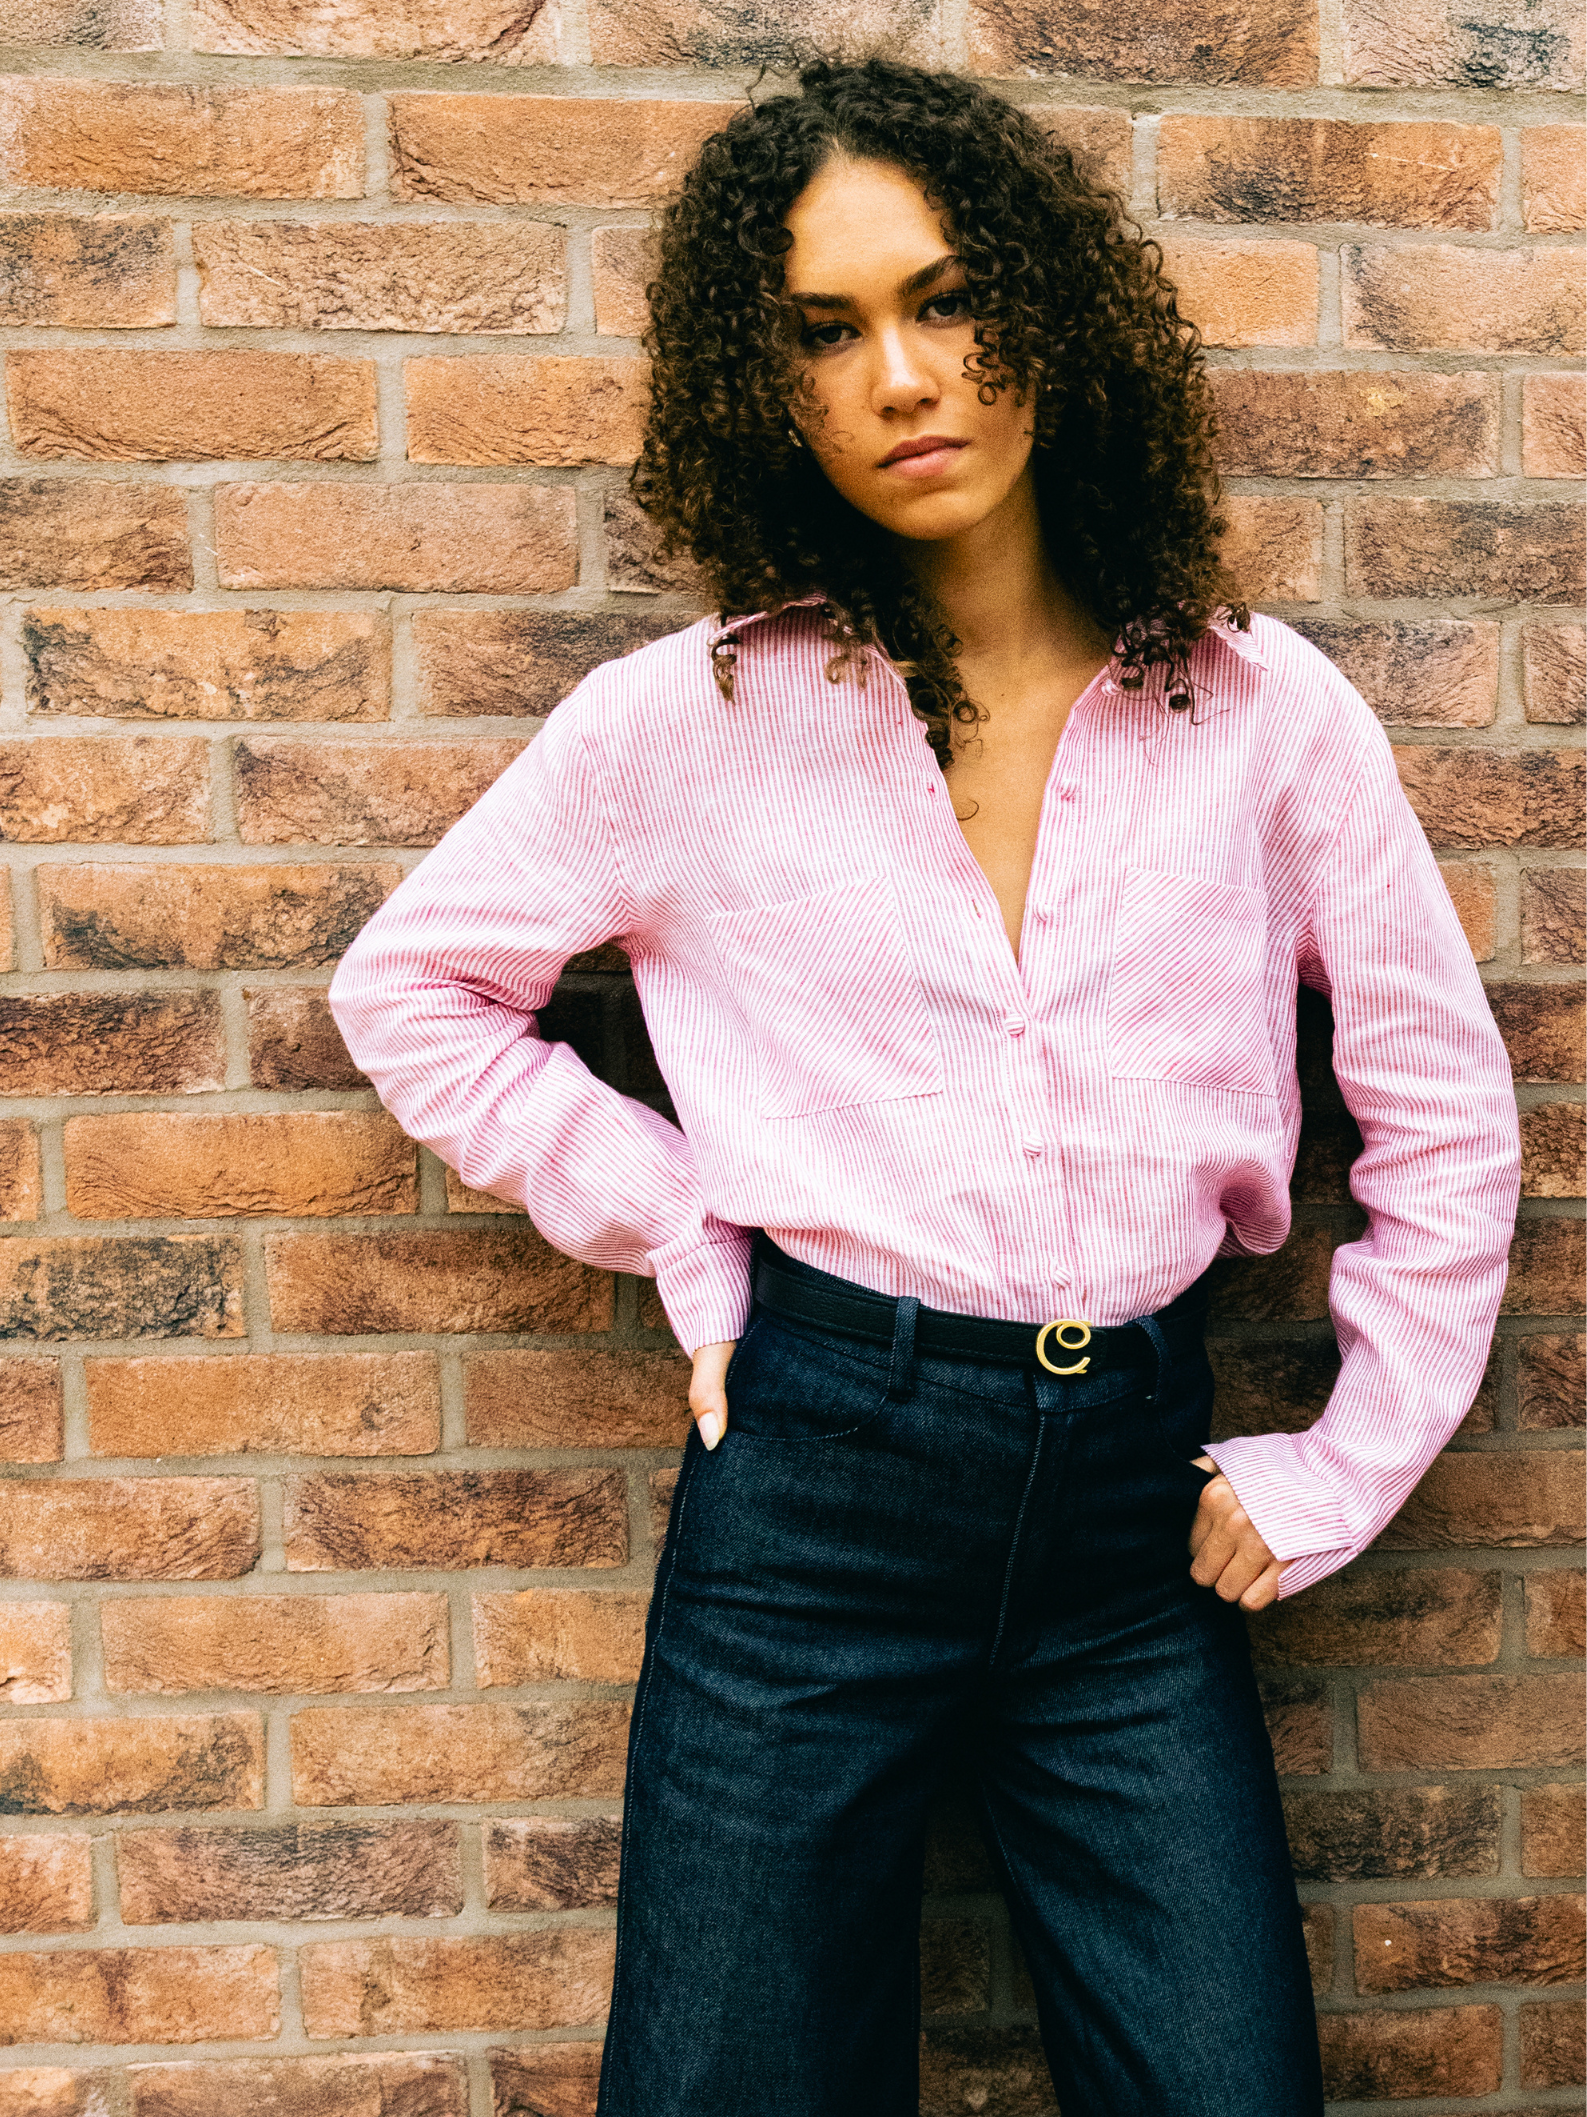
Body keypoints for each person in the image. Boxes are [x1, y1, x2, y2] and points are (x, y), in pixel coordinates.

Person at [329, 56, 1521, 2117]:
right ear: (765, 388)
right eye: (826, 330)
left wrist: (1336, 1466)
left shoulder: (1262, 711)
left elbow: (1440, 1109)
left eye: (949, 299)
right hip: (811, 1502)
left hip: (1135, 1532)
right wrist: (677, 1220)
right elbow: (412, 985)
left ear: (1051, 315)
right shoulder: (681, 724)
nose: (902, 375)